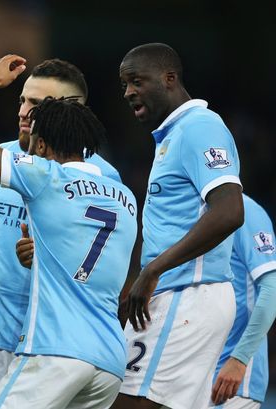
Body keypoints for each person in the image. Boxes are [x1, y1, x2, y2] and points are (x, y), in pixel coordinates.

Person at [0, 54, 138, 408]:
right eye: (22, 99)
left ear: (66, 111)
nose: (23, 111)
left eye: (36, 104)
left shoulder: (49, 172)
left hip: (48, 344)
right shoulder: (117, 191)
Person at [112, 43, 244, 409]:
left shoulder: (199, 127)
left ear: (169, 79)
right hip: (184, 294)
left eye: (136, 80)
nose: (127, 92)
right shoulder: (173, 136)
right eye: (124, 84)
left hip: (187, 293)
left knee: (125, 401)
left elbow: (230, 211)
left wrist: (152, 270)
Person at [208, 194, 276, 408]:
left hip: (234, 378)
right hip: (198, 370)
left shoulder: (245, 210)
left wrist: (240, 359)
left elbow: (272, 288)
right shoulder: (197, 213)